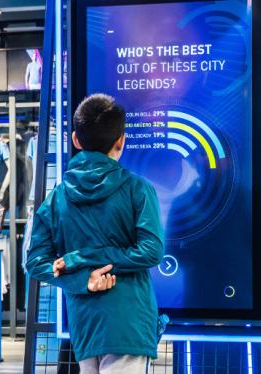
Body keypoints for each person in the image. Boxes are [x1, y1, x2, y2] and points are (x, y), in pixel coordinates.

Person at [26, 93, 164, 374]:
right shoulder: (138, 189)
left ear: (76, 140)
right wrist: (87, 262)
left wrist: (83, 275)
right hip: (130, 324)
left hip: (85, 324)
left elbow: (35, 262)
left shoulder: (57, 197)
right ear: (121, 140)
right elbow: (151, 251)